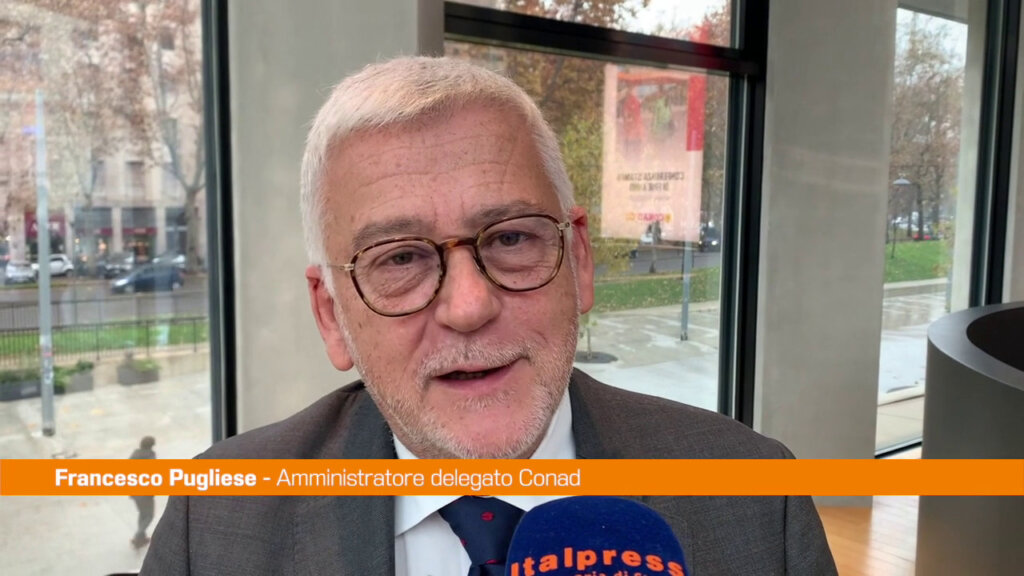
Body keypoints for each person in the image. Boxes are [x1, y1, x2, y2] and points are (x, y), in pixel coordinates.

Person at [141, 57, 836, 575]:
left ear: (580, 260)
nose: (470, 306)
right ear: (331, 316)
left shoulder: (756, 496)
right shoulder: (216, 523)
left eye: (510, 239)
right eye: (400, 258)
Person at [129, 436, 156, 548]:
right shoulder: (150, 457)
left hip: (134, 490)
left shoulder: (134, 455)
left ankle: (142, 537)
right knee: (149, 515)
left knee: (142, 513)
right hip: (145, 492)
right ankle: (138, 536)